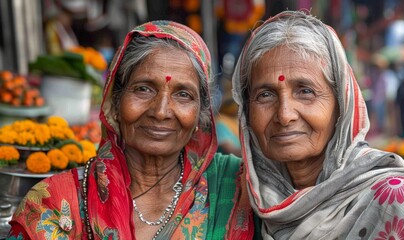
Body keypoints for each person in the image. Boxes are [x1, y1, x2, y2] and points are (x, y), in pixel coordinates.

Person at [8, 21, 256, 239]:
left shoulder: (240, 187)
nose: (160, 111)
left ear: (200, 114)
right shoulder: (54, 203)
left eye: (183, 94)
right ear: (114, 102)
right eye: (143, 89)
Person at [232, 10, 404, 239]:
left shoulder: (401, 202)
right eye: (265, 95)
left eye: (306, 91)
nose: (284, 115)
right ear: (246, 110)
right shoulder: (238, 204)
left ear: (341, 104)